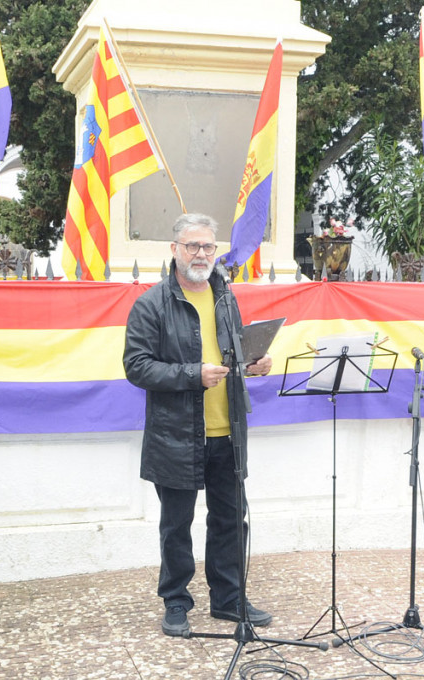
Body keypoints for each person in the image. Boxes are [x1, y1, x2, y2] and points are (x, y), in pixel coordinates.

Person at [123, 213, 274, 637]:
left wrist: (254, 364)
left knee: (229, 520)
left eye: (208, 246)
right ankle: (175, 601)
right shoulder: (151, 303)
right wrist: (193, 375)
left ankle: (228, 600)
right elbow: (136, 367)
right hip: (176, 435)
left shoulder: (225, 297)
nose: (202, 254)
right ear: (174, 250)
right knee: (176, 525)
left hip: (228, 432)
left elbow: (235, 350)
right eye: (192, 246)